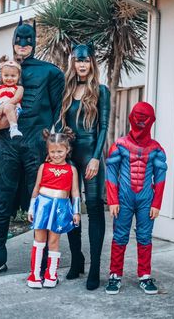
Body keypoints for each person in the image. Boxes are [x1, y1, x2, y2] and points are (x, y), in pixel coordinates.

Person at [0, 16, 65, 279]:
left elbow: (56, 111)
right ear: (13, 42)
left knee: (38, 199)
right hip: (8, 147)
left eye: (29, 40)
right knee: (3, 198)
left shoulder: (51, 72)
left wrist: (53, 145)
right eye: (19, 40)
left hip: (36, 147)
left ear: (35, 42)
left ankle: (41, 255)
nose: (23, 44)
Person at [58, 42, 110, 290]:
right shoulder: (67, 90)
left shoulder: (101, 90)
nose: (81, 64)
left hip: (91, 157)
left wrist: (96, 158)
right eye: (78, 60)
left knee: (95, 210)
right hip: (71, 158)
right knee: (71, 209)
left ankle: (95, 267)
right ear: (73, 63)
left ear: (92, 63)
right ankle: (77, 260)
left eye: (86, 60)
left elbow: (104, 128)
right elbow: (61, 123)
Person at [105, 102, 167, 295]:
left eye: (145, 117)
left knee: (144, 237)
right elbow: (111, 173)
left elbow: (161, 178)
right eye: (138, 116)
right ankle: (115, 274)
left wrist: (156, 203)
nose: (141, 121)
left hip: (145, 200)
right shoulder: (120, 145)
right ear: (132, 118)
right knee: (120, 236)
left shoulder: (156, 149)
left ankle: (145, 275)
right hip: (123, 198)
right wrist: (113, 200)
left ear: (152, 121)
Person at [27, 128, 81, 289]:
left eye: (60, 151)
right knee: (39, 239)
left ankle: (51, 274)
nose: (56, 155)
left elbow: (75, 191)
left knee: (54, 241)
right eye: (52, 152)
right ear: (48, 151)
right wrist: (31, 208)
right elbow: (36, 187)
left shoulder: (72, 170)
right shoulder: (44, 167)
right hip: (42, 205)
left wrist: (76, 211)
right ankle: (35, 275)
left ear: (67, 150)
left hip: (61, 207)